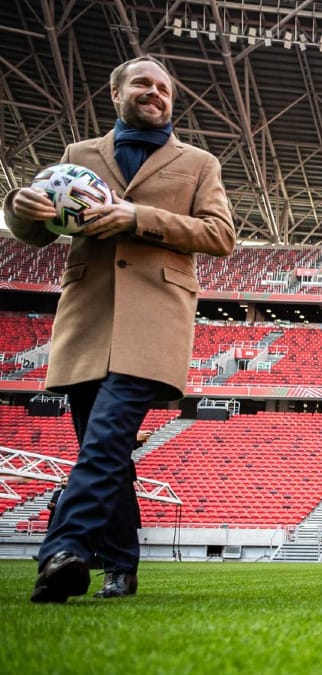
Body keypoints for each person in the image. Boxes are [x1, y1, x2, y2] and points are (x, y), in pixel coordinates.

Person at [7, 56, 236, 604]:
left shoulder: (198, 162)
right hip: (87, 319)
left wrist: (137, 218)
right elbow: (36, 233)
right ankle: (122, 566)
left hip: (154, 321)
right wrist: (19, 209)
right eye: (143, 83)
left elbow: (221, 234)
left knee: (104, 442)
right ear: (116, 93)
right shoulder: (78, 157)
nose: (154, 93)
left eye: (163, 88)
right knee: (102, 449)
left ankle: (63, 551)